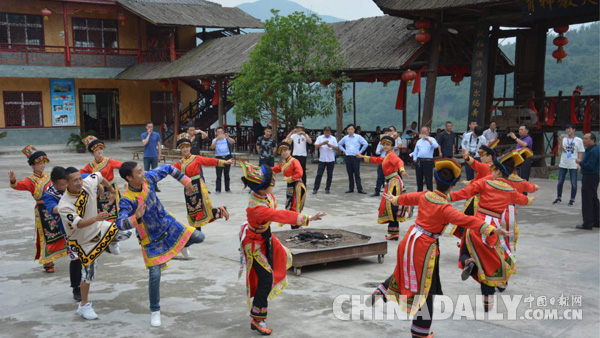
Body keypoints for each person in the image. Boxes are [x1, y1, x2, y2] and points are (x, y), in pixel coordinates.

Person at [370, 158, 508, 338]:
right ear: (452, 187)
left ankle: (383, 289)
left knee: (408, 269)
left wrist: (395, 199)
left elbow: (408, 198)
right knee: (426, 290)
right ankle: (420, 333)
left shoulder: (425, 195)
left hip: (410, 240)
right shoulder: (445, 208)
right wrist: (490, 228)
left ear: (435, 181)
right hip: (425, 247)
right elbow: (468, 220)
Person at [239, 162, 326, 335]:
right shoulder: (258, 208)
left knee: (278, 264)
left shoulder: (263, 195)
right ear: (263, 189)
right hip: (254, 244)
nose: (274, 181)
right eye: (271, 181)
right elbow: (281, 215)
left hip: (265, 236)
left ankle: (258, 316)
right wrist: (307, 218)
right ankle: (257, 319)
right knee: (265, 279)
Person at [116, 161, 204, 326]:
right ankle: (155, 311)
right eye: (139, 172)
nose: (143, 173)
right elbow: (120, 223)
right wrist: (136, 218)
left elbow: (169, 168)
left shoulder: (148, 179)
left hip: (169, 225)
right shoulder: (127, 200)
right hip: (151, 240)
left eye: (142, 170)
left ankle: (183, 244)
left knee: (200, 237)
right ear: (129, 177)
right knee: (155, 275)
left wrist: (186, 181)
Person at [450, 152, 534, 311]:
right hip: (494, 231)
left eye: (494, 169)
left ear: (499, 172)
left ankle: (470, 261)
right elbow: (522, 199)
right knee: (489, 265)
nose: (492, 171)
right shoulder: (510, 190)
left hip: (477, 225)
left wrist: (446, 197)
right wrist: (529, 200)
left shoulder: (485, 182)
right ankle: (488, 301)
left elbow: (464, 193)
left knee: (466, 250)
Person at [58, 168, 132, 320]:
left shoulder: (86, 183)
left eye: (80, 178)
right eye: (75, 180)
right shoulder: (64, 205)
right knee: (89, 275)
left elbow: (99, 176)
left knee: (126, 233)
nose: (79, 182)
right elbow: (79, 224)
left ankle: (109, 243)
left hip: (100, 227)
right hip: (83, 240)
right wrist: (96, 218)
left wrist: (111, 189)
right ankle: (83, 306)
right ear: (66, 183)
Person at [9, 145, 68, 273]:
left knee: (63, 229)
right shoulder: (30, 180)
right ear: (32, 165)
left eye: (44, 163)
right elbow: (18, 185)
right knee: (45, 235)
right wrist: (13, 181)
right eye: (39, 163)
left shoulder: (50, 176)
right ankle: (48, 261)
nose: (42, 165)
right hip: (42, 211)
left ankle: (70, 250)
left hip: (55, 205)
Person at [172, 138, 232, 239]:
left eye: (187, 147)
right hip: (188, 188)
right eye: (183, 148)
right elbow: (169, 169)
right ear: (180, 150)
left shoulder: (196, 158)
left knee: (201, 210)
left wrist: (224, 162)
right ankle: (220, 212)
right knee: (192, 211)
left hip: (198, 186)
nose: (185, 149)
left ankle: (197, 234)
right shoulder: (180, 163)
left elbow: (209, 161)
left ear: (190, 148)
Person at [42, 166, 83, 302]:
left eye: (66, 183)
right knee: (76, 257)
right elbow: (52, 209)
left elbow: (94, 176)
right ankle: (76, 288)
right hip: (69, 229)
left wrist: (103, 186)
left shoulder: (73, 181)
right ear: (54, 183)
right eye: (61, 184)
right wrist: (68, 206)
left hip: (84, 223)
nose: (65, 186)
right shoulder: (49, 194)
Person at [358, 136, 409, 240]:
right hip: (391, 182)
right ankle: (394, 233)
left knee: (392, 207)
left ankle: (395, 231)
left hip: (394, 183)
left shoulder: (392, 155)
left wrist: (402, 170)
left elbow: (399, 161)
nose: (385, 146)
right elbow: (378, 159)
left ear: (392, 146)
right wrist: (363, 157)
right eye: (384, 144)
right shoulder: (387, 156)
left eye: (388, 144)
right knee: (390, 207)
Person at [80, 136, 123, 222]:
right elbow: (80, 173)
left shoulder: (109, 161)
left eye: (101, 149)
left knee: (113, 213)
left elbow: (122, 165)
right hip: (99, 191)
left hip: (110, 190)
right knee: (101, 213)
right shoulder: (91, 165)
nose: (100, 151)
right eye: (96, 150)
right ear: (92, 153)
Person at [272, 140, 306, 229]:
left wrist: (289, 178)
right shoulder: (284, 163)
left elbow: (300, 174)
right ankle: (295, 228)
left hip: (297, 186)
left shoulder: (295, 161)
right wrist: (261, 168)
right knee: (290, 208)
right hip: (290, 187)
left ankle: (297, 228)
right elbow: (275, 169)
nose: (284, 152)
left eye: (285, 150)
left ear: (290, 151)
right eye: (282, 151)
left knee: (294, 209)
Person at [553, 123, 585, 206]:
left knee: (573, 183)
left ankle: (572, 199)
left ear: (574, 130)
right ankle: (558, 197)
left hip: (573, 163)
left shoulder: (578, 140)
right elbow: (561, 150)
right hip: (563, 163)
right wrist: (561, 140)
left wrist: (579, 163)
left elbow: (580, 152)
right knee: (560, 182)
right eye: (567, 129)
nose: (568, 130)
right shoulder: (564, 139)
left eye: (570, 128)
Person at [576, 133, 599, 230]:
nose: (583, 140)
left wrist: (579, 162)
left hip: (589, 176)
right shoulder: (594, 149)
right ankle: (596, 220)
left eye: (586, 139)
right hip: (594, 176)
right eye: (583, 138)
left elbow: (590, 166)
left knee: (587, 200)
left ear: (592, 140)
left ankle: (588, 223)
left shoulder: (593, 151)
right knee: (593, 199)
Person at [338, 124, 369, 194]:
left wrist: (360, 152)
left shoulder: (358, 137)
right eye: (349, 129)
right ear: (347, 130)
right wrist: (344, 150)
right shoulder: (345, 138)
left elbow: (365, 144)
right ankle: (351, 188)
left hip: (356, 157)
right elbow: (339, 144)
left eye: (351, 129)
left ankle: (359, 189)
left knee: (357, 173)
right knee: (350, 173)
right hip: (348, 156)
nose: (350, 130)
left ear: (354, 130)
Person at [412, 127, 439, 192]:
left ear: (428, 132)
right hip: (419, 161)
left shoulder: (432, 139)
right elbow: (416, 151)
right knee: (419, 179)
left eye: (425, 132)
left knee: (428, 179)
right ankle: (419, 193)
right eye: (422, 132)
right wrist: (415, 159)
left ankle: (430, 193)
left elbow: (436, 146)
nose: (423, 133)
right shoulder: (419, 141)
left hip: (428, 161)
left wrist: (429, 141)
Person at [312, 126, 338, 194]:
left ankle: (327, 188)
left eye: (328, 132)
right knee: (319, 174)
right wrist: (322, 143)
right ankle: (315, 188)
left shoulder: (333, 138)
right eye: (326, 132)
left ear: (330, 132)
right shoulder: (320, 137)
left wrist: (331, 146)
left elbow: (336, 147)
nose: (327, 134)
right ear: (323, 132)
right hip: (322, 159)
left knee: (330, 175)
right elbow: (316, 146)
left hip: (331, 159)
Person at [211, 126, 236, 194]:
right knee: (218, 174)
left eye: (221, 132)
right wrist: (217, 140)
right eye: (218, 132)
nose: (220, 133)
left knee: (226, 174)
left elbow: (233, 142)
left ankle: (227, 189)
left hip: (227, 157)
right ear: (216, 133)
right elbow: (212, 147)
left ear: (223, 132)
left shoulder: (226, 139)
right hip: (219, 157)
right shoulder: (214, 140)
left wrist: (228, 137)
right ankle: (218, 189)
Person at [371, 128, 393, 197]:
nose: (387, 135)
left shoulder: (392, 142)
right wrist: (382, 149)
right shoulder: (381, 143)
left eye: (388, 133)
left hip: (390, 161)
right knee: (380, 177)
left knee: (390, 177)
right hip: (382, 161)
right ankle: (377, 191)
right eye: (385, 133)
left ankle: (390, 192)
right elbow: (377, 152)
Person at [141, 121, 162, 192]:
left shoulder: (157, 134)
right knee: (146, 172)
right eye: (149, 127)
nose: (150, 128)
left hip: (154, 156)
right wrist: (149, 135)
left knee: (155, 172)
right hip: (146, 156)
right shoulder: (143, 135)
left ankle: (155, 186)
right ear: (146, 127)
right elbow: (144, 143)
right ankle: (146, 186)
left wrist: (159, 154)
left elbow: (159, 145)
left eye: (151, 127)